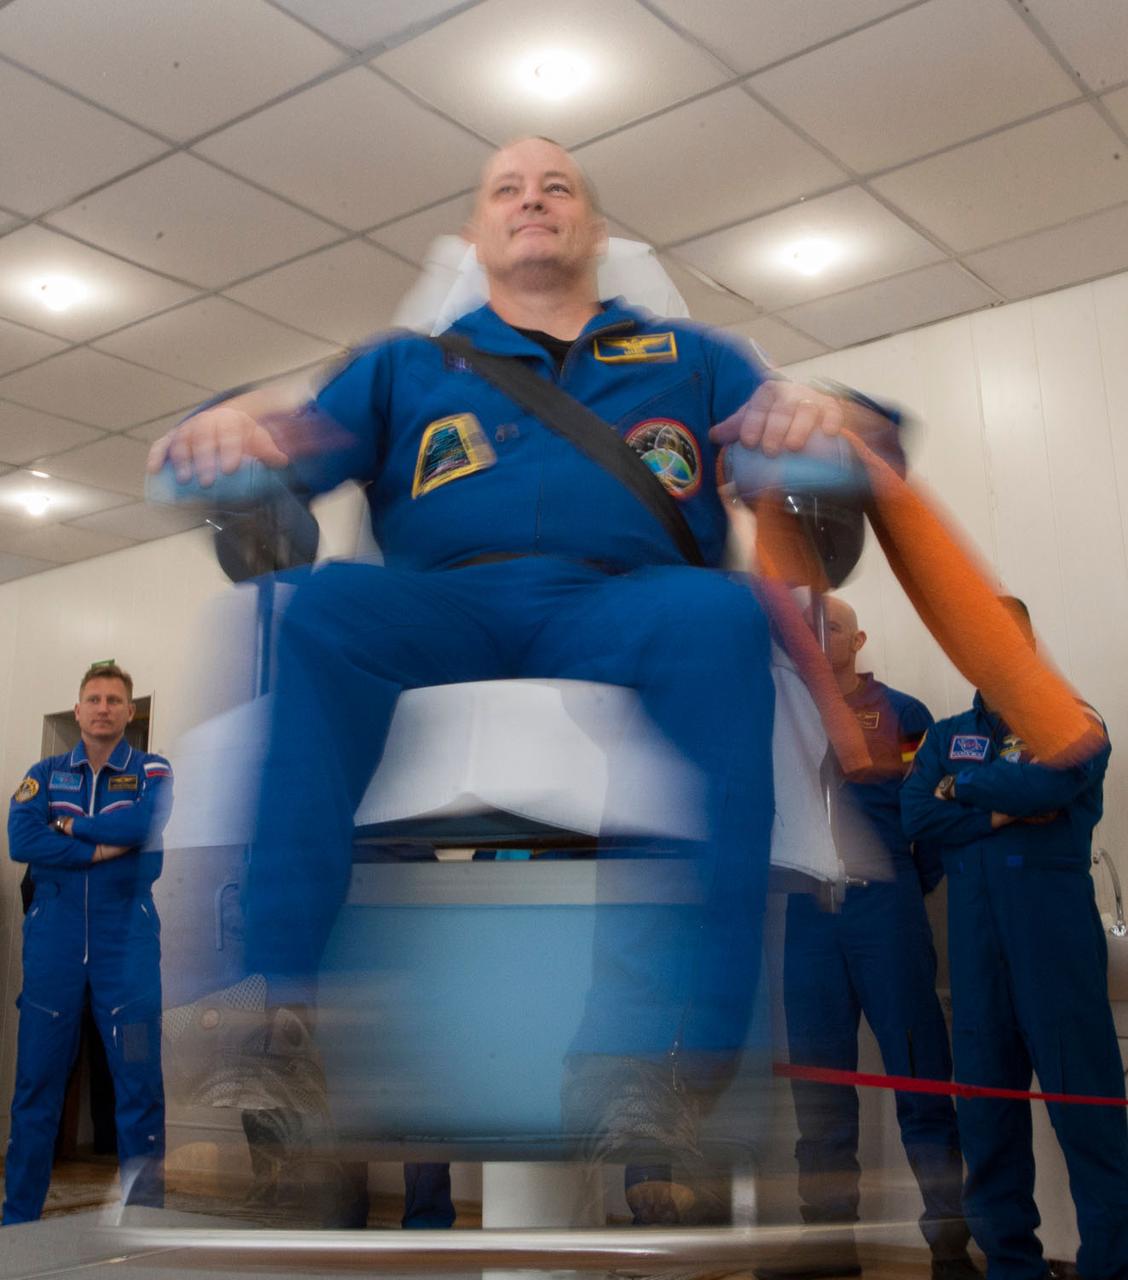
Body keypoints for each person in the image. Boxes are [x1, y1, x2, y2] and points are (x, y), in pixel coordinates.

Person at [148, 135, 895, 1217]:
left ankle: (661, 1072)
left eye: (558, 187)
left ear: (594, 231)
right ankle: (279, 1025)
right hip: (440, 598)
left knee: (728, 619)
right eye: (508, 188)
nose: (533, 198)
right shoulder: (402, 363)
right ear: (476, 236)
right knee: (311, 609)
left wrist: (830, 415)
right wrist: (221, 431)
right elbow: (277, 452)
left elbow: (855, 451)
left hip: (631, 593)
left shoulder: (696, 355)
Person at [901, 597, 1128, 1280]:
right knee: (988, 1120)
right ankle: (1011, 1267)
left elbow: (1057, 778)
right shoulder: (946, 732)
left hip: (1055, 950)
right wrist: (1004, 806)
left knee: (1088, 1119)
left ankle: (1111, 1266)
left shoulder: (1071, 719)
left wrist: (962, 788)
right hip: (976, 957)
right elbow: (917, 814)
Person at [759, 597, 978, 1280]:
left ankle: (947, 1247)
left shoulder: (906, 715)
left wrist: (905, 887)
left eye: (835, 625)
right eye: (809, 626)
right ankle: (828, 1244)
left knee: (920, 1077)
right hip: (807, 915)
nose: (822, 635)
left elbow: (932, 818)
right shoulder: (782, 717)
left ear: (859, 638)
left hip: (885, 911)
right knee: (819, 1088)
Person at [4, 663, 173, 1225]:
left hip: (126, 944)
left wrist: (72, 830)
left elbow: (144, 827)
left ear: (129, 712)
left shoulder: (153, 769)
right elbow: (20, 839)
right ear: (77, 711)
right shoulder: (45, 773)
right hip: (53, 941)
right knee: (36, 1085)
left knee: (139, 1085)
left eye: (114, 699)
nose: (103, 708)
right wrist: (98, 850)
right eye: (93, 699)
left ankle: (145, 1219)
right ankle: (19, 1218)